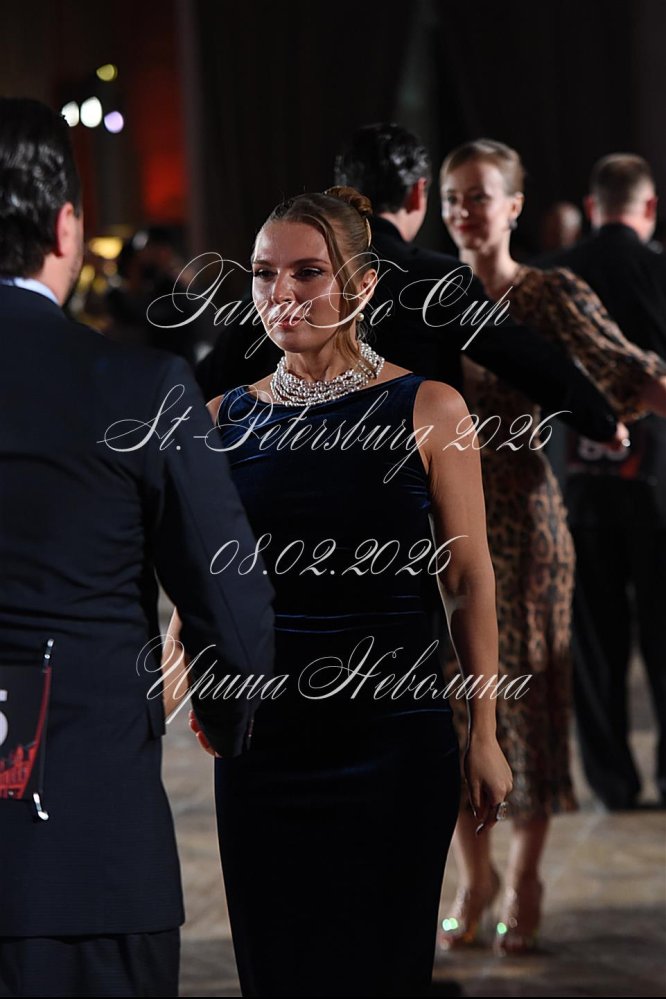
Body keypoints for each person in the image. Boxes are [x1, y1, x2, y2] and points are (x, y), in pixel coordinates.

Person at [171, 186, 513, 998]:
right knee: (276, 971)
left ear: (361, 285)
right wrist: (179, 687)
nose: (280, 293)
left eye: (307, 271)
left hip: (395, 743)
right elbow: (202, 585)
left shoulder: (431, 408)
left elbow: (467, 579)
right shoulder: (219, 419)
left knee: (384, 970)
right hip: (265, 746)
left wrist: (486, 732)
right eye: (263, 273)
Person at [0, 97, 275, 997]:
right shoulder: (139, 386)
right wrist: (226, 722)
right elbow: (232, 603)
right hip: (86, 855)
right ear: (66, 228)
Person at [436, 138, 666, 956]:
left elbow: (627, 368)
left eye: (480, 195)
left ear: (514, 205)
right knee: (455, 712)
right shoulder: (426, 297)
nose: (465, 211)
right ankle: (475, 876)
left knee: (528, 712)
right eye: (453, 197)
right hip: (443, 533)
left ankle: (526, 878)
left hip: (528, 526)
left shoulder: (549, 293)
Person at [198, 122, 622, 456]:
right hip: (407, 469)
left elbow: (209, 378)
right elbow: (523, 355)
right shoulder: (436, 277)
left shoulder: (282, 276)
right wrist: (602, 422)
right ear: (419, 194)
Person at [537, 154, 666, 810]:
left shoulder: (551, 276)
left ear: (592, 207)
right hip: (661, 488)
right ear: (650, 207)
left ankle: (612, 781)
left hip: (577, 483)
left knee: (593, 641)